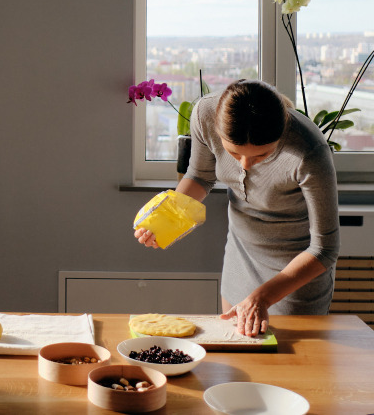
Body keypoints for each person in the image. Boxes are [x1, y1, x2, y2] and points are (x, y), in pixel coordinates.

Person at [134, 79, 339, 337]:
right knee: (235, 357)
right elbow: (200, 176)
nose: (245, 166)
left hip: (294, 274)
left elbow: (325, 249)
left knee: (288, 370)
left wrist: (263, 297)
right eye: (234, 153)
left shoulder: (309, 151)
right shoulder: (206, 114)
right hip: (240, 257)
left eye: (261, 156)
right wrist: (166, 218)